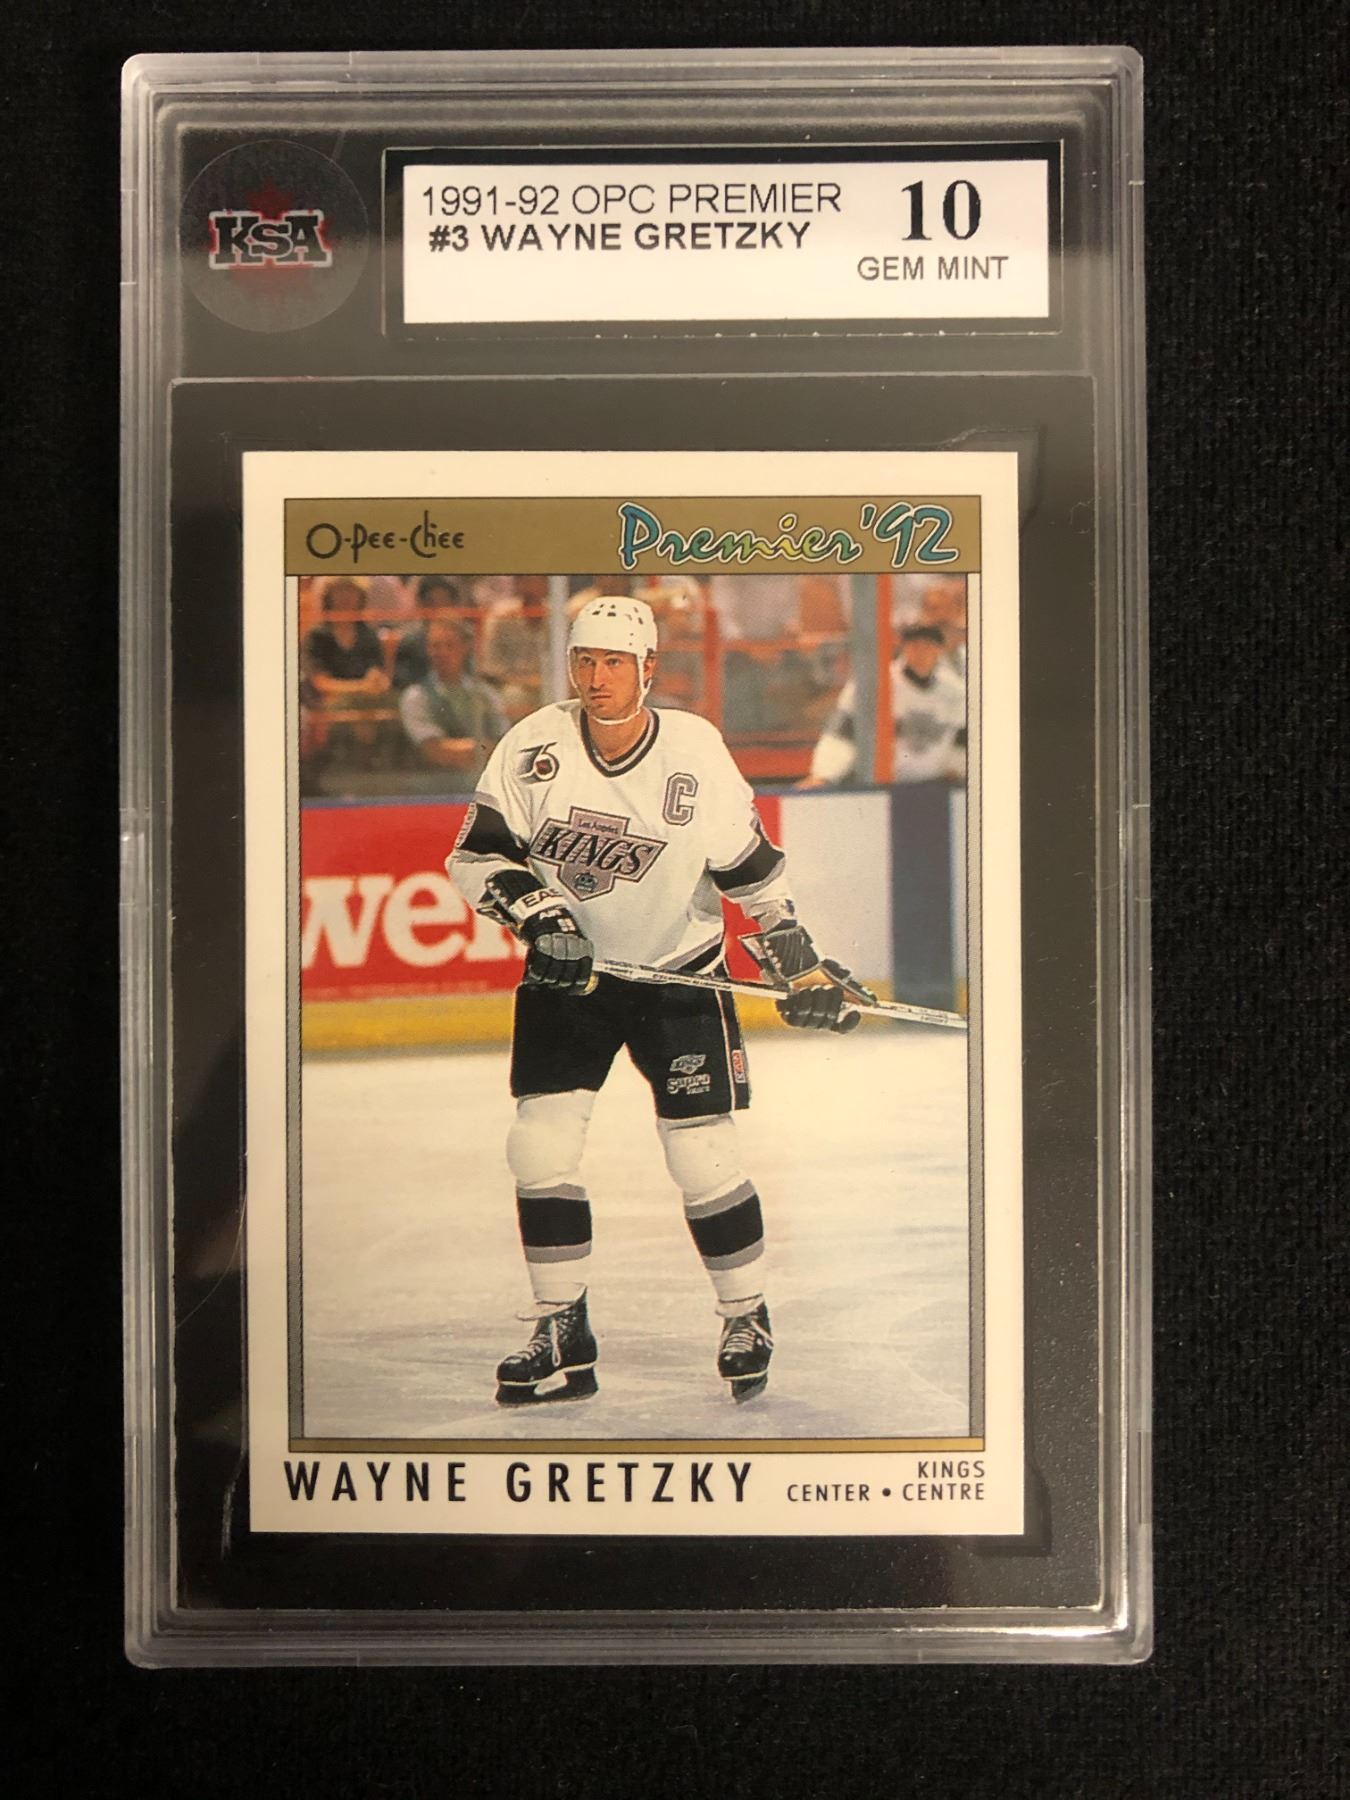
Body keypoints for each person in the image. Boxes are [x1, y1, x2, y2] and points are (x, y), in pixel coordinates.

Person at [446, 596, 871, 1407]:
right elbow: (477, 857)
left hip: (679, 973)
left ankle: (746, 1314)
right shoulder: (532, 746)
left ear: (648, 669)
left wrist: (800, 963)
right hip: (571, 980)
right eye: (584, 660)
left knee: (702, 1154)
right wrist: (541, 917)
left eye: (614, 662)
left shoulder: (694, 752)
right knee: (539, 1147)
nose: (596, 677)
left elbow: (750, 872)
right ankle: (561, 1326)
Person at [802, 623, 967, 788]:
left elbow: (962, 740)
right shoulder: (874, 684)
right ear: (904, 648)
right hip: (879, 787)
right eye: (914, 645)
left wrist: (958, 769)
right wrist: (824, 775)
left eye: (928, 646)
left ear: (940, 650)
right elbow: (842, 733)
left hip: (934, 787)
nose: (921, 652)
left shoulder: (955, 690)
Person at [398, 617, 506, 788]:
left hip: (485, 786)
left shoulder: (485, 694)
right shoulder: (416, 696)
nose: (441, 653)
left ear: (464, 648)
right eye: (435, 646)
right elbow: (435, 750)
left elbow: (502, 744)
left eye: (449, 645)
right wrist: (479, 749)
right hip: (433, 790)